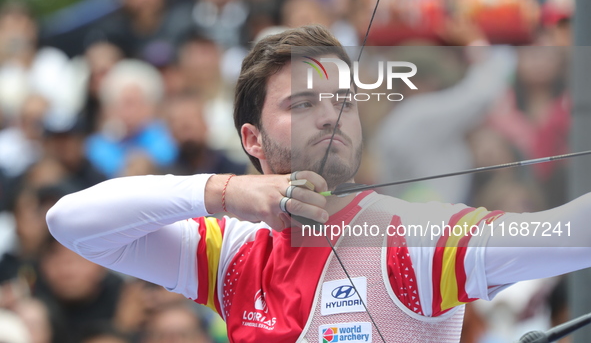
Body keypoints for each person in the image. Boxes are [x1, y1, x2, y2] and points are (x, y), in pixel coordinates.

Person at [47, 25, 591, 342]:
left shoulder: (413, 239)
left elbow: (570, 232)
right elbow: (70, 223)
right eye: (303, 104)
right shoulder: (230, 251)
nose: (331, 116)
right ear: (252, 140)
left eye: (343, 102)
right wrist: (225, 193)